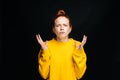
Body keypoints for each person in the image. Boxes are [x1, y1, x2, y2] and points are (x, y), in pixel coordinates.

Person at [36, 9, 87, 80]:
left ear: (70, 28)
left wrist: (78, 53)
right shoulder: (46, 45)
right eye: (58, 25)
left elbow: (79, 75)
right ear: (53, 29)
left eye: (65, 25)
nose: (62, 28)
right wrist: (45, 51)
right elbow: (44, 75)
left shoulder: (77, 45)